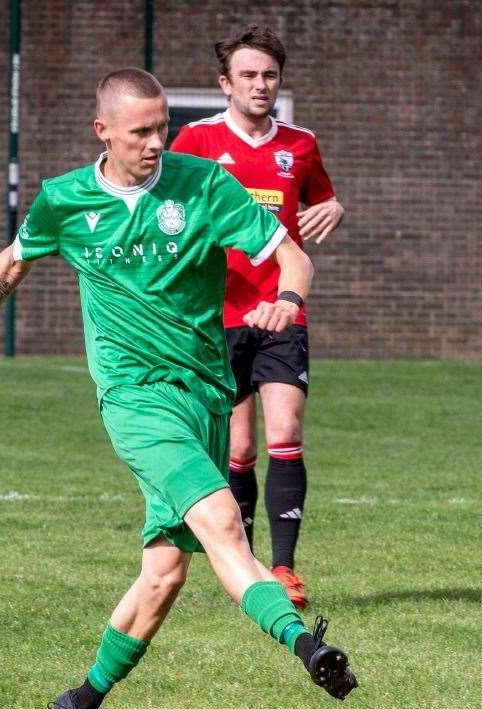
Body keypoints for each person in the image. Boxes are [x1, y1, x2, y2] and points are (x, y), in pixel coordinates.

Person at [0, 68, 357, 709]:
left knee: (163, 575)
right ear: (104, 132)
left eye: (163, 128)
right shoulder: (65, 200)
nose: (156, 142)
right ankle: (306, 646)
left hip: (205, 393)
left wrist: (287, 301)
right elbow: (11, 264)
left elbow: (292, 258)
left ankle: (79, 703)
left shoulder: (203, 185)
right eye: (141, 131)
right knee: (223, 521)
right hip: (134, 397)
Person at [171, 25, 344, 609]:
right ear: (226, 83)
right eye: (247, 75)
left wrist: (334, 207)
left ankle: (286, 568)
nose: (260, 84)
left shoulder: (301, 144)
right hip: (219, 315)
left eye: (269, 75)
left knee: (286, 433)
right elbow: (167, 208)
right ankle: (245, 569)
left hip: (282, 311)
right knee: (239, 449)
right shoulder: (196, 140)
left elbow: (321, 200)